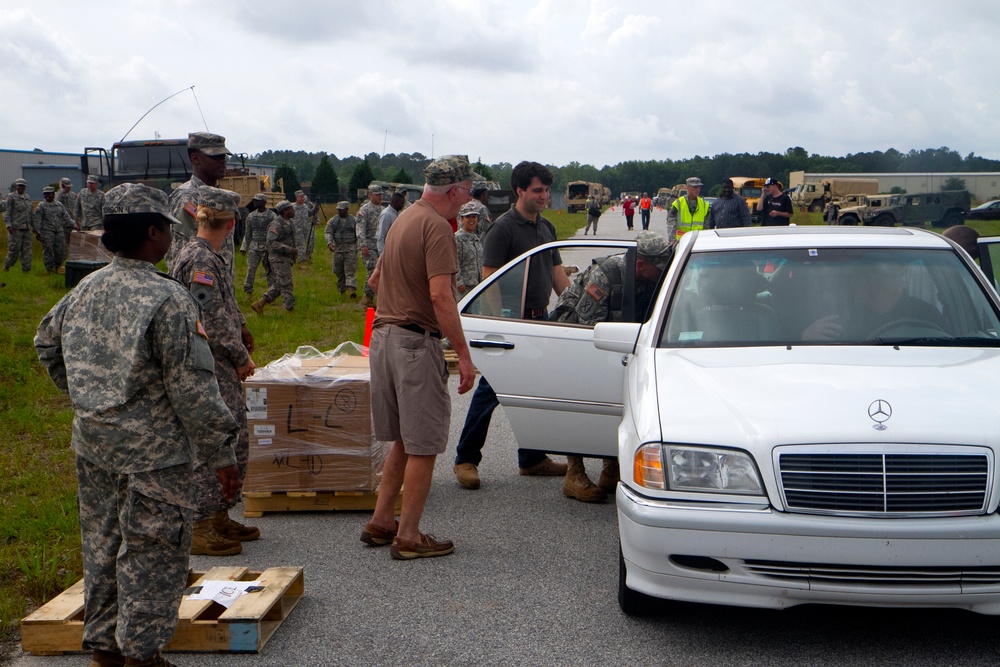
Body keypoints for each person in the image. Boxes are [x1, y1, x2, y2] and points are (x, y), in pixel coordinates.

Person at [34, 182, 239, 667]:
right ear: (152, 233)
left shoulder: (85, 287)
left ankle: (105, 650)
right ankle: (142, 656)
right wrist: (221, 455)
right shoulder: (167, 299)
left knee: (102, 546)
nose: (171, 237)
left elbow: (46, 344)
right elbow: (193, 389)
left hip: (94, 445)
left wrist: (88, 395)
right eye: (167, 229)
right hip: (155, 457)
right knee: (153, 553)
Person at [361, 155, 476, 560]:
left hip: (384, 338)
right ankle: (408, 535)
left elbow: (374, 280)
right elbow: (441, 296)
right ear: (452, 190)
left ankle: (381, 521)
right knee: (423, 443)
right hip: (413, 342)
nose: (468, 201)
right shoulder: (437, 229)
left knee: (403, 442)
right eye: (467, 192)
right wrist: (463, 355)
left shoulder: (403, 220)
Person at [453, 161, 571, 491]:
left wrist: (576, 310)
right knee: (489, 394)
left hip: (540, 323)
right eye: (538, 190)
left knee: (535, 391)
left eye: (547, 190)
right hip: (510, 327)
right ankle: (465, 459)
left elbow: (557, 273)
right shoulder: (503, 228)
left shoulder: (546, 228)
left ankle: (531, 459)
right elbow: (488, 278)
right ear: (520, 191)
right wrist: (500, 328)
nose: (545, 195)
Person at [169, 186, 259, 557]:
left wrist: (242, 326)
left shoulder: (206, 254)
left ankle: (218, 514)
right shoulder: (201, 259)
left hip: (215, 359)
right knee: (215, 439)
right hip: (207, 362)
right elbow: (210, 318)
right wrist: (240, 355)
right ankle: (201, 523)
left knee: (231, 435)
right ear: (231, 223)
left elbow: (225, 306)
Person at [551, 230, 673, 501]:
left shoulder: (653, 277)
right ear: (641, 265)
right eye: (659, 268)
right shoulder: (606, 274)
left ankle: (611, 467)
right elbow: (586, 330)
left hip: (617, 341)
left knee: (619, 400)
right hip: (579, 340)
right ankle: (574, 472)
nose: (663, 273)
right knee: (583, 403)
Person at [166, 132, 233, 270]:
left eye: (223, 156)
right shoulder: (187, 197)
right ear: (195, 158)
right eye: (215, 156)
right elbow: (180, 255)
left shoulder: (216, 196)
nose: (223, 160)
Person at [251, 201, 297, 313]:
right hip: (278, 259)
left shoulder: (290, 222)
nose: (293, 210)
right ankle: (290, 309)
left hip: (287, 258)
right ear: (285, 211)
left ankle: (260, 303)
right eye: (291, 208)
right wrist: (289, 249)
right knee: (286, 284)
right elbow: (271, 243)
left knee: (280, 283)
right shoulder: (276, 225)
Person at [240, 193, 276, 298]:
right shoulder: (251, 216)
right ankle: (248, 292)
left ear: (264, 202)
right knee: (251, 269)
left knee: (270, 271)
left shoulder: (272, 216)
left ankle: (271, 292)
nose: (255, 202)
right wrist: (244, 247)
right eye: (254, 200)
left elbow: (275, 232)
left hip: (267, 248)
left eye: (257, 200)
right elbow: (247, 234)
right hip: (254, 248)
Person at [34, 186, 76, 273]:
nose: (47, 196)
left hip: (59, 231)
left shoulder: (59, 205)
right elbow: (37, 220)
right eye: (45, 194)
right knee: (48, 251)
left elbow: (66, 217)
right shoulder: (41, 206)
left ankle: (58, 266)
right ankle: (49, 269)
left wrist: (74, 225)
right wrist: (37, 231)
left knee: (61, 251)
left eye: (49, 194)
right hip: (47, 232)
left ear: (53, 194)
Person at [356, 184, 383, 308]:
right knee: (372, 270)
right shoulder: (365, 210)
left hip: (381, 246)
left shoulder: (383, 210)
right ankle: (367, 297)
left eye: (381, 194)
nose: (380, 196)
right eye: (377, 194)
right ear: (370, 195)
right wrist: (363, 245)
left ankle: (380, 297)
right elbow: (360, 228)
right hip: (369, 246)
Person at [325, 200, 358, 298]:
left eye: (342, 210)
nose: (339, 212)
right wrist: (329, 243)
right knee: (338, 271)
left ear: (347, 209)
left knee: (349, 270)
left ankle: (351, 289)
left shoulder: (353, 220)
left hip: (350, 249)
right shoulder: (333, 220)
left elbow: (359, 233)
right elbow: (328, 232)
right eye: (338, 210)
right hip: (338, 249)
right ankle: (341, 289)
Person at [4, 177, 34, 272]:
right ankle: (6, 267)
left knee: (27, 251)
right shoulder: (11, 197)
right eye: (19, 186)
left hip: (27, 228)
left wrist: (35, 228)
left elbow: (30, 213)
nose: (21, 187)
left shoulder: (27, 197)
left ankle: (26, 270)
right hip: (15, 229)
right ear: (16, 186)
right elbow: (7, 212)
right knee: (14, 250)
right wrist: (8, 225)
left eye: (23, 186)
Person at [667, 177, 710, 241]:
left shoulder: (704, 205)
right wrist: (672, 239)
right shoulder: (678, 204)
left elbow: (706, 226)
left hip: (697, 240)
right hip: (681, 240)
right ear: (688, 188)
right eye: (695, 187)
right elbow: (671, 223)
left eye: (699, 187)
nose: (697, 189)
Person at [455, 200, 483, 298]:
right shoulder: (457, 238)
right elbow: (455, 261)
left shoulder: (476, 238)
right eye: (468, 217)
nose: (472, 220)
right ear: (462, 219)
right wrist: (459, 282)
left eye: (474, 217)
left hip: (477, 285)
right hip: (464, 287)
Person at [376, 188, 406, 256]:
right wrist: (383, 256)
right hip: (387, 252)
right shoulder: (386, 215)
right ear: (395, 201)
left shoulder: (396, 214)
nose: (403, 205)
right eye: (401, 203)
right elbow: (381, 236)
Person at [55, 177, 79, 249]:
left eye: (69, 187)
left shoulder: (73, 195)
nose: (68, 188)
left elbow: (76, 207)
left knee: (73, 243)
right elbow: (57, 204)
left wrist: (76, 221)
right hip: (63, 223)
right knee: (63, 244)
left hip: (72, 222)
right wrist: (62, 191)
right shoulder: (59, 195)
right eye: (66, 187)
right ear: (62, 186)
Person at [291, 190, 313, 264]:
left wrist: (315, 210)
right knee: (301, 245)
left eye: (303, 197)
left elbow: (309, 214)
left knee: (304, 243)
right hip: (297, 229)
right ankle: (302, 260)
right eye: (301, 197)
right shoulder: (292, 207)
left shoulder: (305, 206)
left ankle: (303, 257)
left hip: (305, 229)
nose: (302, 198)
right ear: (297, 197)